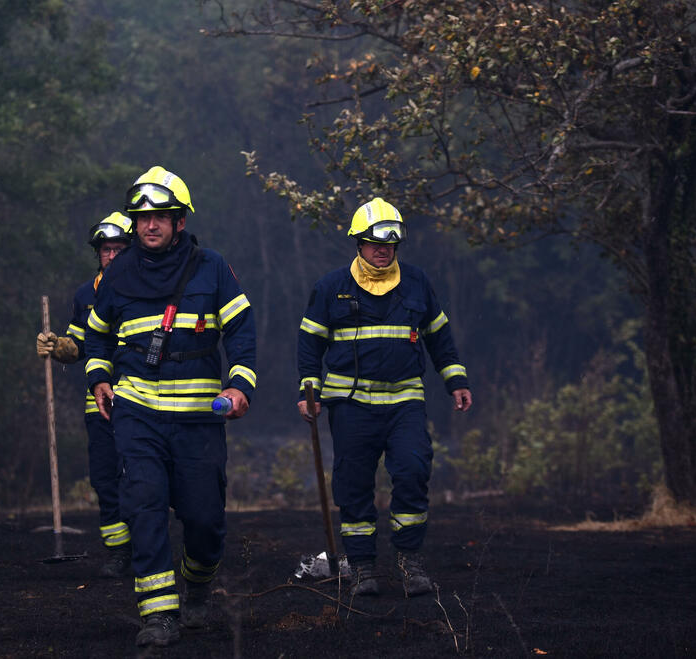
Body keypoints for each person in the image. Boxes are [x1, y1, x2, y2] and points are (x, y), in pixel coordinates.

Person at [84, 166, 256, 647]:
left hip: (199, 417)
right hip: (137, 412)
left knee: (204, 519)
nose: (151, 225)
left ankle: (197, 584)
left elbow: (241, 330)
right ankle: (159, 614)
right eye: (143, 218)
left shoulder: (212, 267)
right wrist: (99, 377)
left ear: (180, 221)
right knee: (144, 507)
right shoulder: (117, 274)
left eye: (161, 217)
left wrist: (240, 385)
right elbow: (97, 335)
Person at [296, 197, 472, 599]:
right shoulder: (331, 288)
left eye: (391, 244)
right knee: (354, 485)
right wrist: (309, 391)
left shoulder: (417, 282)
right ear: (359, 243)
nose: (383, 250)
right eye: (376, 243)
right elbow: (309, 344)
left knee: (412, 471)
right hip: (350, 405)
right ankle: (362, 569)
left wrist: (456, 380)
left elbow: (439, 337)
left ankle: (409, 562)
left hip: (404, 402)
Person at [36, 212, 134, 578]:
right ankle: (118, 551)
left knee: (141, 476)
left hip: (141, 399)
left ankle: (147, 545)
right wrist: (59, 347)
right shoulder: (85, 295)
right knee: (105, 478)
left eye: (119, 249)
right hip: (99, 404)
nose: (112, 256)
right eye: (106, 250)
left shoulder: (146, 289)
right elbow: (79, 344)